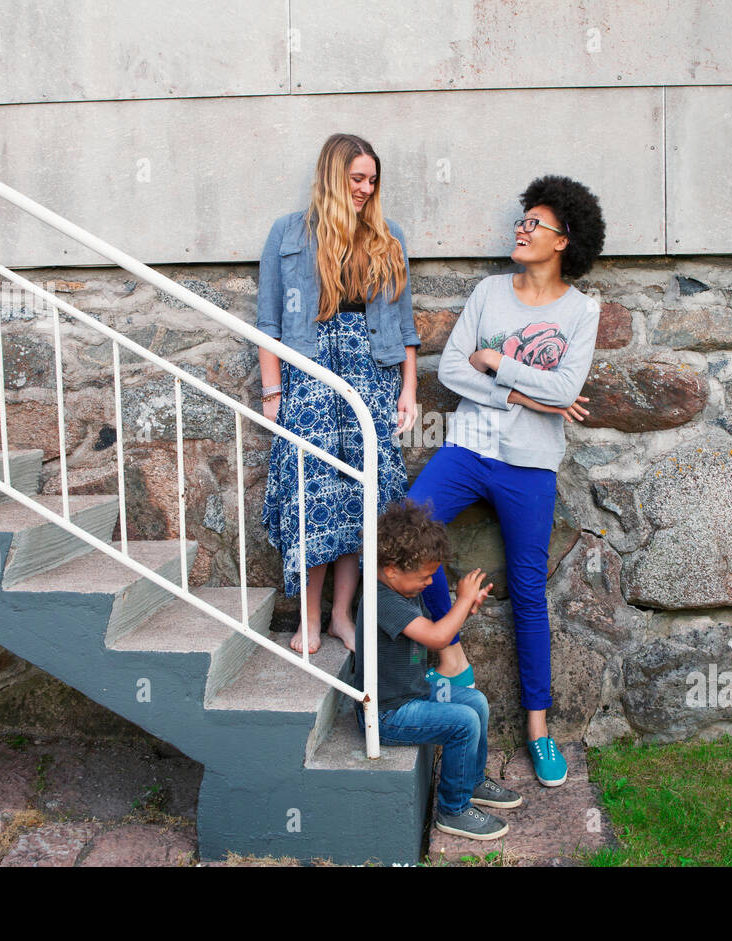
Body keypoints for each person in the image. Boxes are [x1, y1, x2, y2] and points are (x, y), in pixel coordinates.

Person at [407, 175, 606, 788]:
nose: (521, 230)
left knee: (526, 590)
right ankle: (450, 653)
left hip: (531, 465)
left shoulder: (581, 311)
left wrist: (499, 366)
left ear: (563, 240)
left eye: (535, 224)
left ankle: (539, 733)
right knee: (412, 530)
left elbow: (567, 391)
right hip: (469, 445)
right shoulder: (491, 292)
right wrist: (524, 391)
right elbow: (454, 369)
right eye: (522, 221)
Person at [257, 133, 420, 655]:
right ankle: (308, 619)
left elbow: (405, 324)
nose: (365, 189)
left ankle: (341, 617)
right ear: (333, 175)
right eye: (356, 179)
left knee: (360, 496)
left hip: (369, 371)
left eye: (372, 181)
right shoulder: (288, 233)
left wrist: (409, 389)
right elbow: (268, 324)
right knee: (313, 495)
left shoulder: (386, 236)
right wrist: (272, 392)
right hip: (309, 373)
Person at [353, 498, 521, 840]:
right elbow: (436, 637)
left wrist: (463, 611)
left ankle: (470, 781)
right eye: (424, 577)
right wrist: (460, 602)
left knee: (477, 703)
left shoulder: (400, 589)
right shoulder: (380, 600)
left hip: (413, 692)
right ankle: (453, 810)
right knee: (463, 723)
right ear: (391, 570)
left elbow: (433, 629)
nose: (429, 583)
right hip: (388, 713)